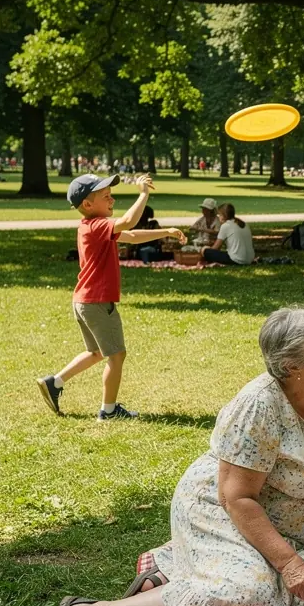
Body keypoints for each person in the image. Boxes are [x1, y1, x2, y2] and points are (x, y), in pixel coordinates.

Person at [41, 307, 304, 606]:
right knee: (249, 593)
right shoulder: (258, 406)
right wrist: (288, 563)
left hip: (294, 531)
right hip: (222, 510)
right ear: (292, 366)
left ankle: (177, 572)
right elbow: (236, 497)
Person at [36, 174, 186, 421]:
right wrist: (143, 193)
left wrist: (166, 232)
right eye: (106, 196)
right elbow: (128, 222)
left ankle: (54, 382)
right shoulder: (97, 226)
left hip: (84, 301)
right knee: (116, 355)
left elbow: (132, 235)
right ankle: (109, 411)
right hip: (97, 302)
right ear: (87, 204)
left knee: (95, 352)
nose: (112, 200)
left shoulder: (93, 227)